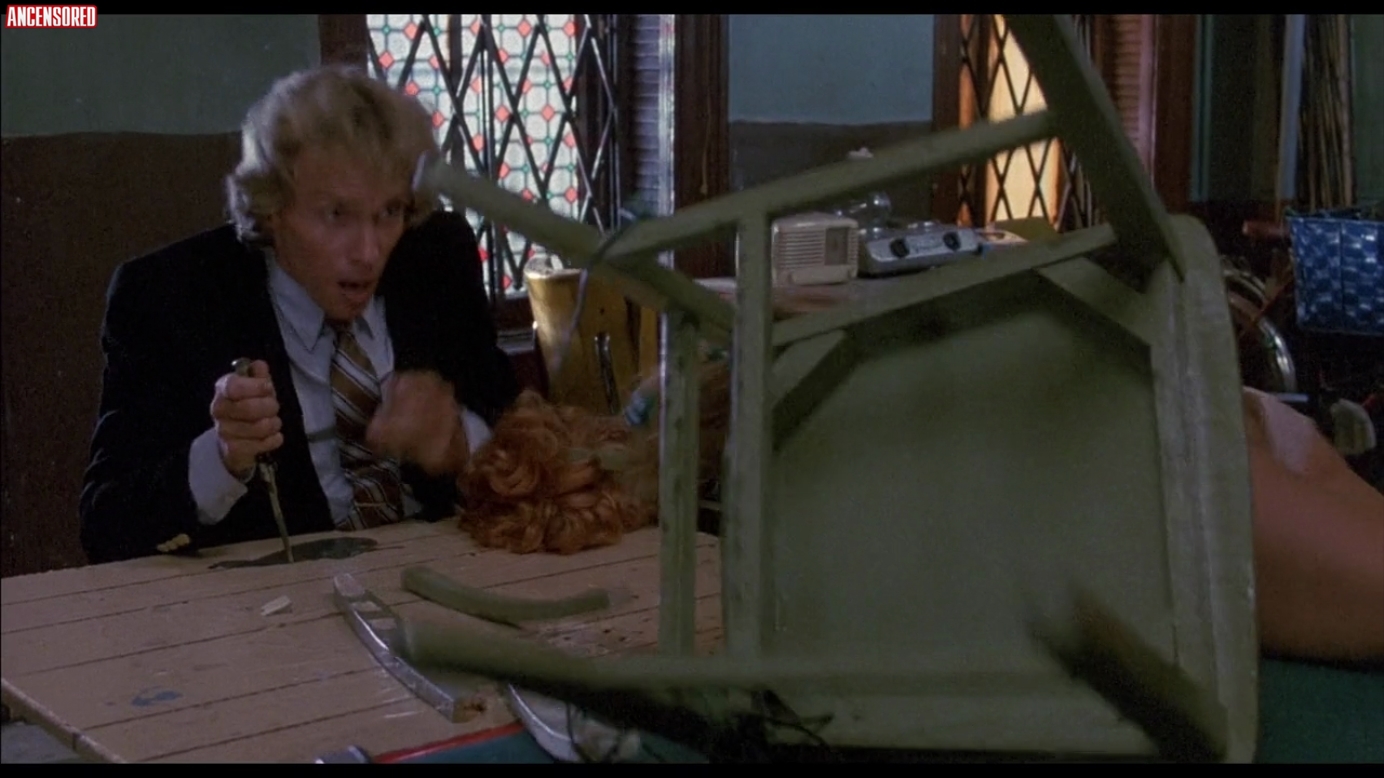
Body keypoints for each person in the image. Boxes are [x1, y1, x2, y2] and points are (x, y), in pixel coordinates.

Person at [79, 65, 520, 564]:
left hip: (450, 573)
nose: (369, 252)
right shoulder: (169, 295)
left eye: (389, 212)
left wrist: (461, 442)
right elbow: (105, 525)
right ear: (273, 207)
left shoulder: (435, 257)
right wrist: (222, 456)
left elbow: (523, 435)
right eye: (336, 215)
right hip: (275, 599)